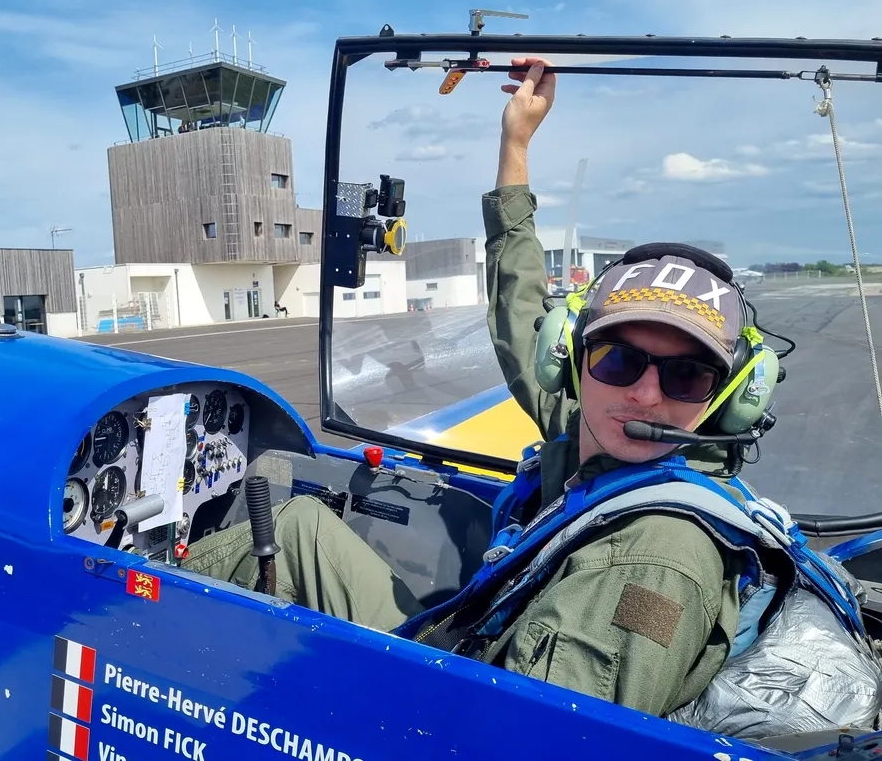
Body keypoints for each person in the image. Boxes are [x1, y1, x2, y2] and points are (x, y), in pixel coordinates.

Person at [181, 58, 875, 728]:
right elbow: (521, 315)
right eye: (618, 360)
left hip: (451, 696)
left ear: (732, 399)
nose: (644, 395)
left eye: (686, 375)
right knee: (301, 526)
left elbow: (513, 737)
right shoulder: (607, 444)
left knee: (293, 534)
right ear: (570, 363)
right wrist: (515, 145)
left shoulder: (654, 558)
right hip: (478, 638)